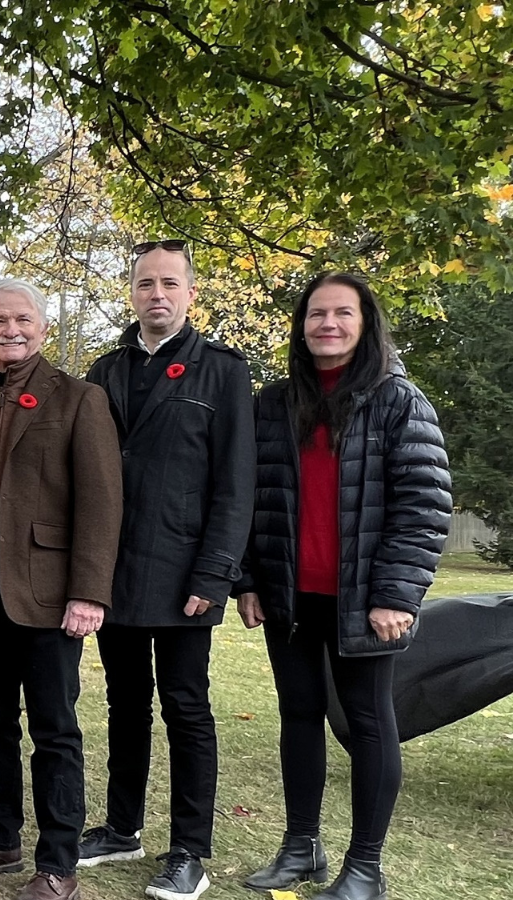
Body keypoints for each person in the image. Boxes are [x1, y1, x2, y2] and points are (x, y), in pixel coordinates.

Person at [235, 272, 450, 900]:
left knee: (366, 723)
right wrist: (249, 580)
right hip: (290, 596)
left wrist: (395, 595)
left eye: (342, 314)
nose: (327, 324)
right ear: (301, 327)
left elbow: (424, 506)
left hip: (367, 601)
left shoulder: (398, 401)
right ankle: (302, 846)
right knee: (298, 715)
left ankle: (366, 867)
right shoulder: (274, 404)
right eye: (315, 314)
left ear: (365, 323)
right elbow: (251, 500)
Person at [0, 279, 123, 900]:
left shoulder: (80, 399)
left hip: (47, 593)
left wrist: (88, 592)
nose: (11, 330)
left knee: (55, 728)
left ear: (42, 328)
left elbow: (101, 502)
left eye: (23, 320)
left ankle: (58, 862)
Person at [78, 240, 255, 900]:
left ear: (190, 293)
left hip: (186, 575)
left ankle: (189, 849)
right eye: (146, 283)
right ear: (132, 292)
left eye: (170, 283)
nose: (158, 294)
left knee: (186, 708)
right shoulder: (103, 371)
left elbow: (236, 487)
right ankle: (123, 828)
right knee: (125, 706)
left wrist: (215, 577)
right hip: (115, 572)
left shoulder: (224, 373)